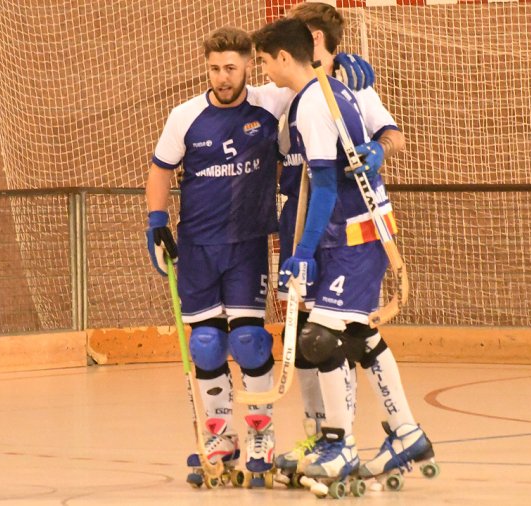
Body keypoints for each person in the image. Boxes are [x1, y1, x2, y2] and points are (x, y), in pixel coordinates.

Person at [144, 27, 375, 487]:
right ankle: (217, 437)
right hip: (198, 247)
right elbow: (161, 169)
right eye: (214, 68)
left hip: (248, 244)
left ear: (249, 64)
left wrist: (342, 68)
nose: (223, 77)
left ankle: (260, 437)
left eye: (231, 67)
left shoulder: (272, 102)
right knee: (205, 344)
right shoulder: (185, 115)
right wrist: (156, 223)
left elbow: (309, 77)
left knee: (249, 342)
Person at [271, 3, 434, 488]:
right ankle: (345, 435)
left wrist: (379, 151)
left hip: (344, 227)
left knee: (325, 334)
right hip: (310, 228)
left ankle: (339, 441)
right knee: (328, 334)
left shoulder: (352, 85)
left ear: (313, 37)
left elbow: (394, 136)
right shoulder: (292, 86)